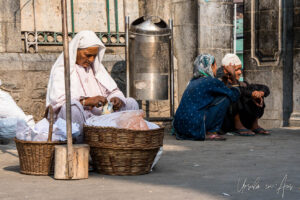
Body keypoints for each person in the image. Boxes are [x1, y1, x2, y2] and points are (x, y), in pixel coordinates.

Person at [46, 30, 138, 142]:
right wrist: (88, 101)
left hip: (101, 117)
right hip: (81, 117)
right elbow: (59, 103)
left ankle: (125, 144)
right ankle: (80, 147)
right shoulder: (62, 70)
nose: (91, 60)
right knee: (72, 108)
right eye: (88, 55)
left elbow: (113, 91)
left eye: (94, 56)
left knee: (130, 103)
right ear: (76, 51)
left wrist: (116, 99)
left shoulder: (97, 69)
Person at [172, 54, 240, 141]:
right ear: (211, 66)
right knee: (225, 98)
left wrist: (224, 80)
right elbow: (234, 96)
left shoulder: (192, 81)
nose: (216, 68)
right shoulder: (211, 81)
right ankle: (211, 132)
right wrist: (233, 76)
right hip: (194, 127)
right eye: (215, 65)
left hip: (180, 127)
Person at [220, 54, 270, 136]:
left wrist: (260, 93)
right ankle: (238, 126)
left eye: (240, 69)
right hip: (227, 121)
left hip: (244, 118)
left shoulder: (243, 84)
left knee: (257, 93)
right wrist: (251, 94)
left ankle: (254, 125)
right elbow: (238, 90)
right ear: (226, 71)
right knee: (234, 93)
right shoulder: (222, 83)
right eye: (236, 69)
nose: (240, 72)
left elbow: (265, 88)